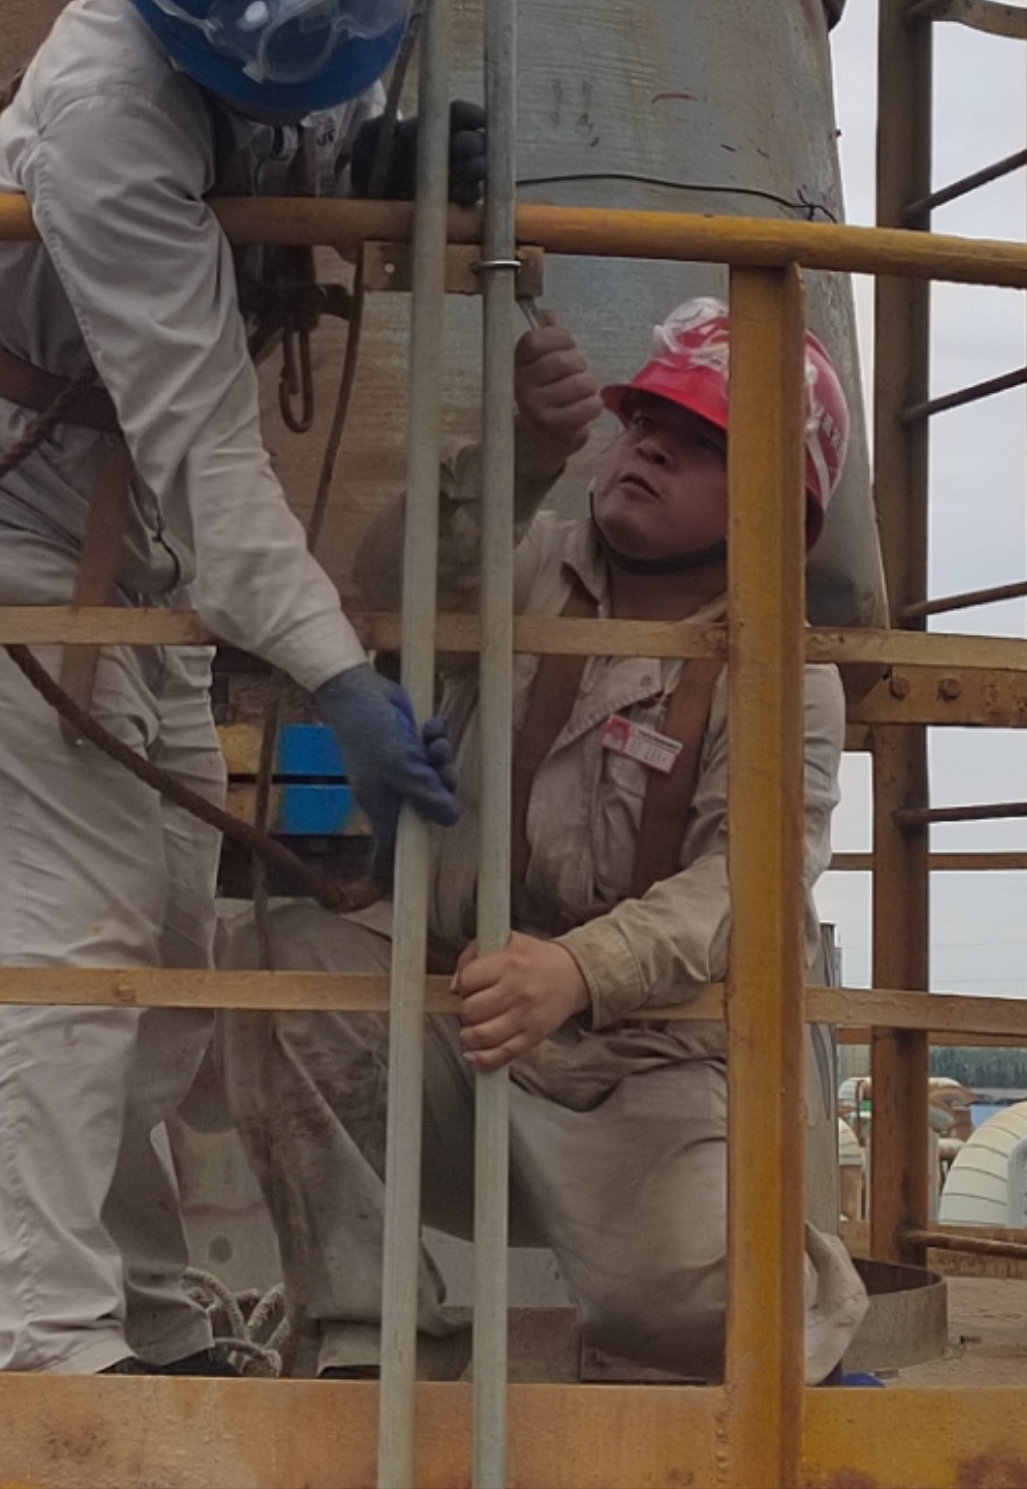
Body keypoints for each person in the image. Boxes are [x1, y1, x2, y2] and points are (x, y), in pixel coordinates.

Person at [0, 0, 471, 1376]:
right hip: (2, 526)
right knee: (66, 957)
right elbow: (211, 455)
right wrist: (340, 682)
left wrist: (379, 153)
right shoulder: (107, 120)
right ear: (201, 18)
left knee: (163, 947)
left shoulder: (278, 26)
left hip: (120, 521)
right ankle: (51, 1360)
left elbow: (312, 115)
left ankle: (141, 1310)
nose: (335, 53)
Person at [220, 295, 872, 1383]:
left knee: (716, 1326)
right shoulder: (525, 572)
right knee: (271, 964)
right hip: (460, 1015)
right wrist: (521, 449)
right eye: (644, 421)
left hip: (644, 1058)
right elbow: (394, 584)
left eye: (698, 440)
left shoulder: (788, 677)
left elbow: (746, 884)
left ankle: (780, 1322)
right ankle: (368, 1344)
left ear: (774, 503)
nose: (648, 446)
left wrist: (578, 968)